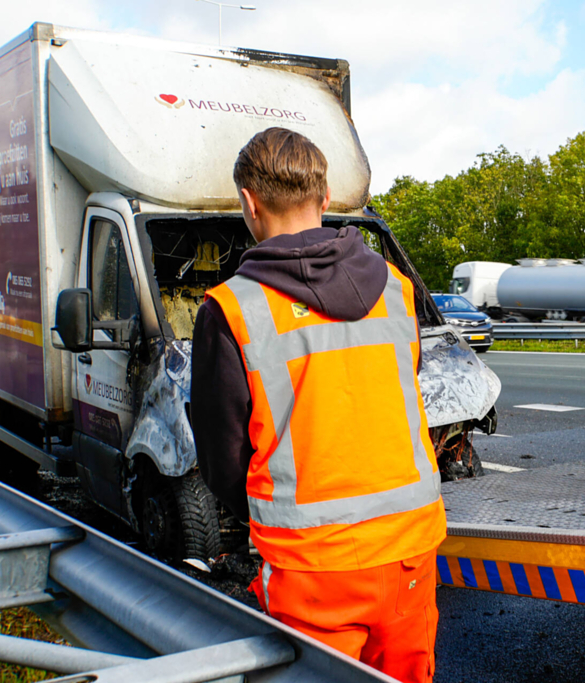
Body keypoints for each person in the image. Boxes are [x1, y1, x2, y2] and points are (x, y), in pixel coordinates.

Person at [190, 127, 447, 683]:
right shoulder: (398, 289)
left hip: (312, 568)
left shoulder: (231, 309)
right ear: (325, 200)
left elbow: (221, 460)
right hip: (410, 550)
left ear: (249, 204)